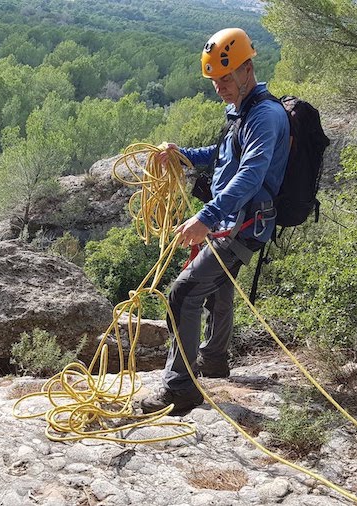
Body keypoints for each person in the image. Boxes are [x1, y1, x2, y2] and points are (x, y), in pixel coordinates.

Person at [139, 28, 291, 416]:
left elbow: (250, 175)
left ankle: (181, 389)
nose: (219, 88)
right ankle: (214, 360)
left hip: (241, 224)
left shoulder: (265, 116)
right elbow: (222, 155)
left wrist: (205, 218)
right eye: (214, 81)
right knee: (218, 287)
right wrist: (181, 154)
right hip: (234, 219)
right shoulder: (241, 109)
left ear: (247, 69)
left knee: (184, 294)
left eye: (225, 79)